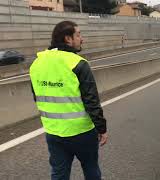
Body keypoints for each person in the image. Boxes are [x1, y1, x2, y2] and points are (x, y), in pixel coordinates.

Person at [29, 21, 108, 180]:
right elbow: (92, 101)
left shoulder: (36, 63)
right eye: (78, 35)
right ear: (68, 39)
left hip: (53, 132)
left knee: (59, 174)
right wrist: (102, 129)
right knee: (91, 168)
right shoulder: (78, 63)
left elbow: (36, 96)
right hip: (81, 132)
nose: (82, 39)